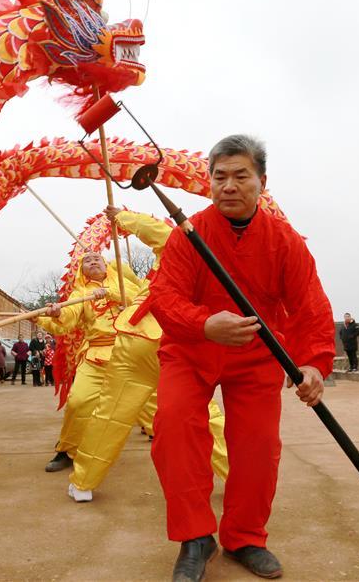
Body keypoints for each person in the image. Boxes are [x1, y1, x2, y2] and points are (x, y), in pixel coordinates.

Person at [148, 135, 335, 581]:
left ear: (261, 182)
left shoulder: (285, 242)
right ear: (209, 182)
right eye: (219, 177)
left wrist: (313, 363)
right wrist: (203, 324)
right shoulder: (187, 234)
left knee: (258, 448)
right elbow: (163, 296)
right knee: (174, 426)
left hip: (256, 357)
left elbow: (310, 306)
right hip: (190, 351)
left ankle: (245, 536)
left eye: (240, 176)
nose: (228, 186)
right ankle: (195, 537)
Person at [67, 207, 229, 503]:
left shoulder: (175, 248)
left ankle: (82, 482)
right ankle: (234, 475)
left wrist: (120, 217)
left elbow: (156, 230)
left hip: (140, 338)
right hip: (177, 342)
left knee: (111, 414)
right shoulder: (221, 268)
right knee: (206, 415)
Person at [36, 252, 138, 473]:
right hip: (97, 353)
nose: (92, 261)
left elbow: (142, 298)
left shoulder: (122, 281)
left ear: (106, 264)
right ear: (82, 270)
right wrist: (53, 314)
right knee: (78, 402)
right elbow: (66, 320)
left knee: (163, 402)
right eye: (87, 261)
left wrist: (112, 294)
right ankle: (67, 450)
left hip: (133, 352)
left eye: (97, 258)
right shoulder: (80, 292)